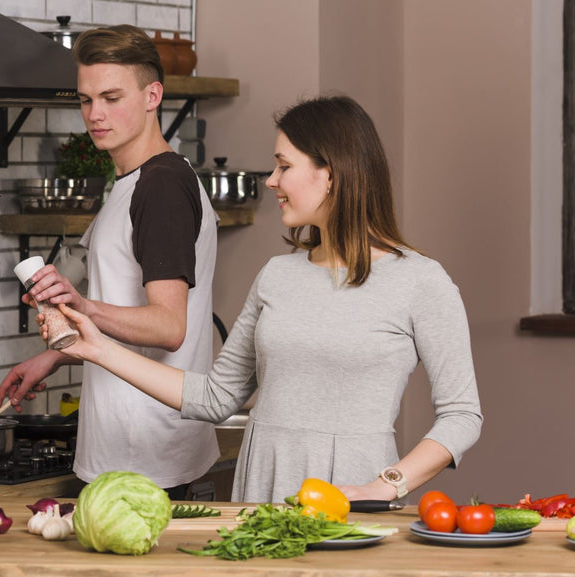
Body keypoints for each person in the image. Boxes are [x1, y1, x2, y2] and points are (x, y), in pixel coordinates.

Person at [45, 94, 484, 504]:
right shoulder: (277, 275)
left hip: (354, 499)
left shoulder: (421, 282)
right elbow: (216, 396)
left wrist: (385, 486)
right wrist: (97, 349)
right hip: (261, 492)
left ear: (330, 174)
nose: (271, 180)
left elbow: (462, 415)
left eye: (283, 166)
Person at [0, 25, 219, 500]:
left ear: (152, 94)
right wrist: (53, 355)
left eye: (112, 97)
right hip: (127, 446)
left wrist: (83, 306)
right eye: (85, 100)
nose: (95, 115)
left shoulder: (160, 188)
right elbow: (123, 299)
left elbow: (167, 325)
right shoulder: (133, 182)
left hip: (144, 455)